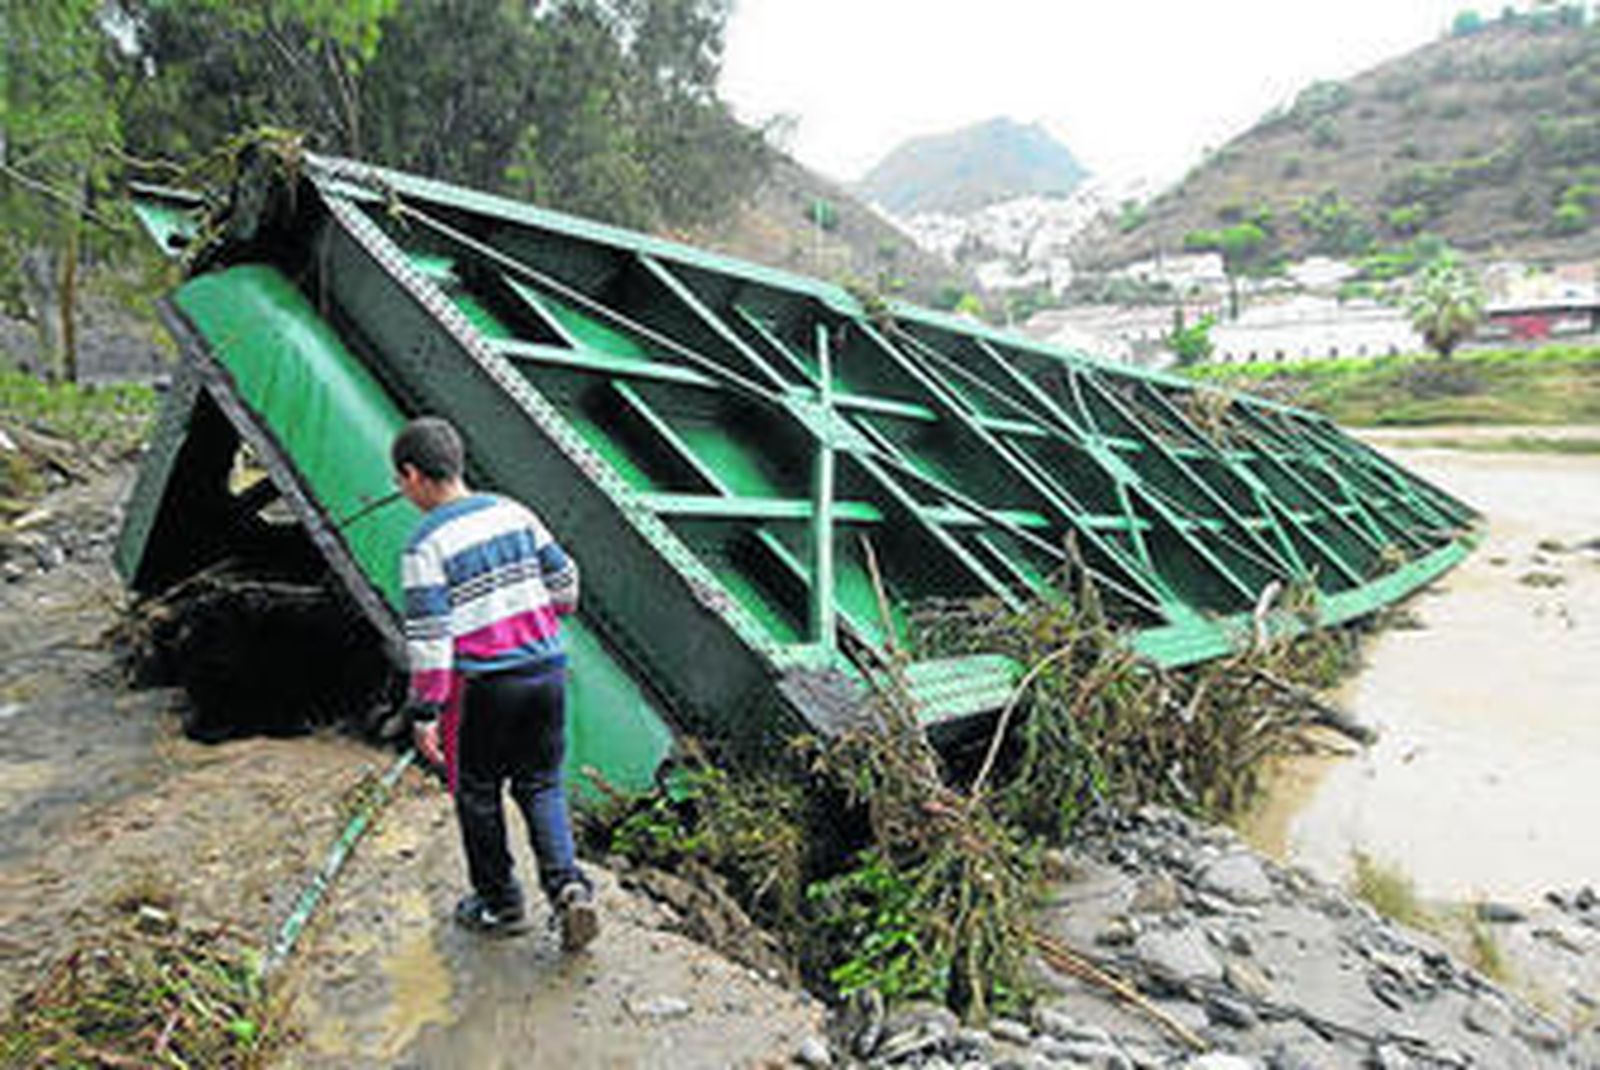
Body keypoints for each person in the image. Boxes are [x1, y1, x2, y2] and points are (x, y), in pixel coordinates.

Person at [391, 415, 598, 950]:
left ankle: (501, 903)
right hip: (547, 668)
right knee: (541, 783)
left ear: (412, 475)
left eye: (400, 481)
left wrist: (425, 712)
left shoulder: (424, 544)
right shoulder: (514, 512)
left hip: (485, 684)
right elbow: (567, 582)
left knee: (478, 791)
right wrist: (537, 616)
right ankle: (568, 887)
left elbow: (432, 638)